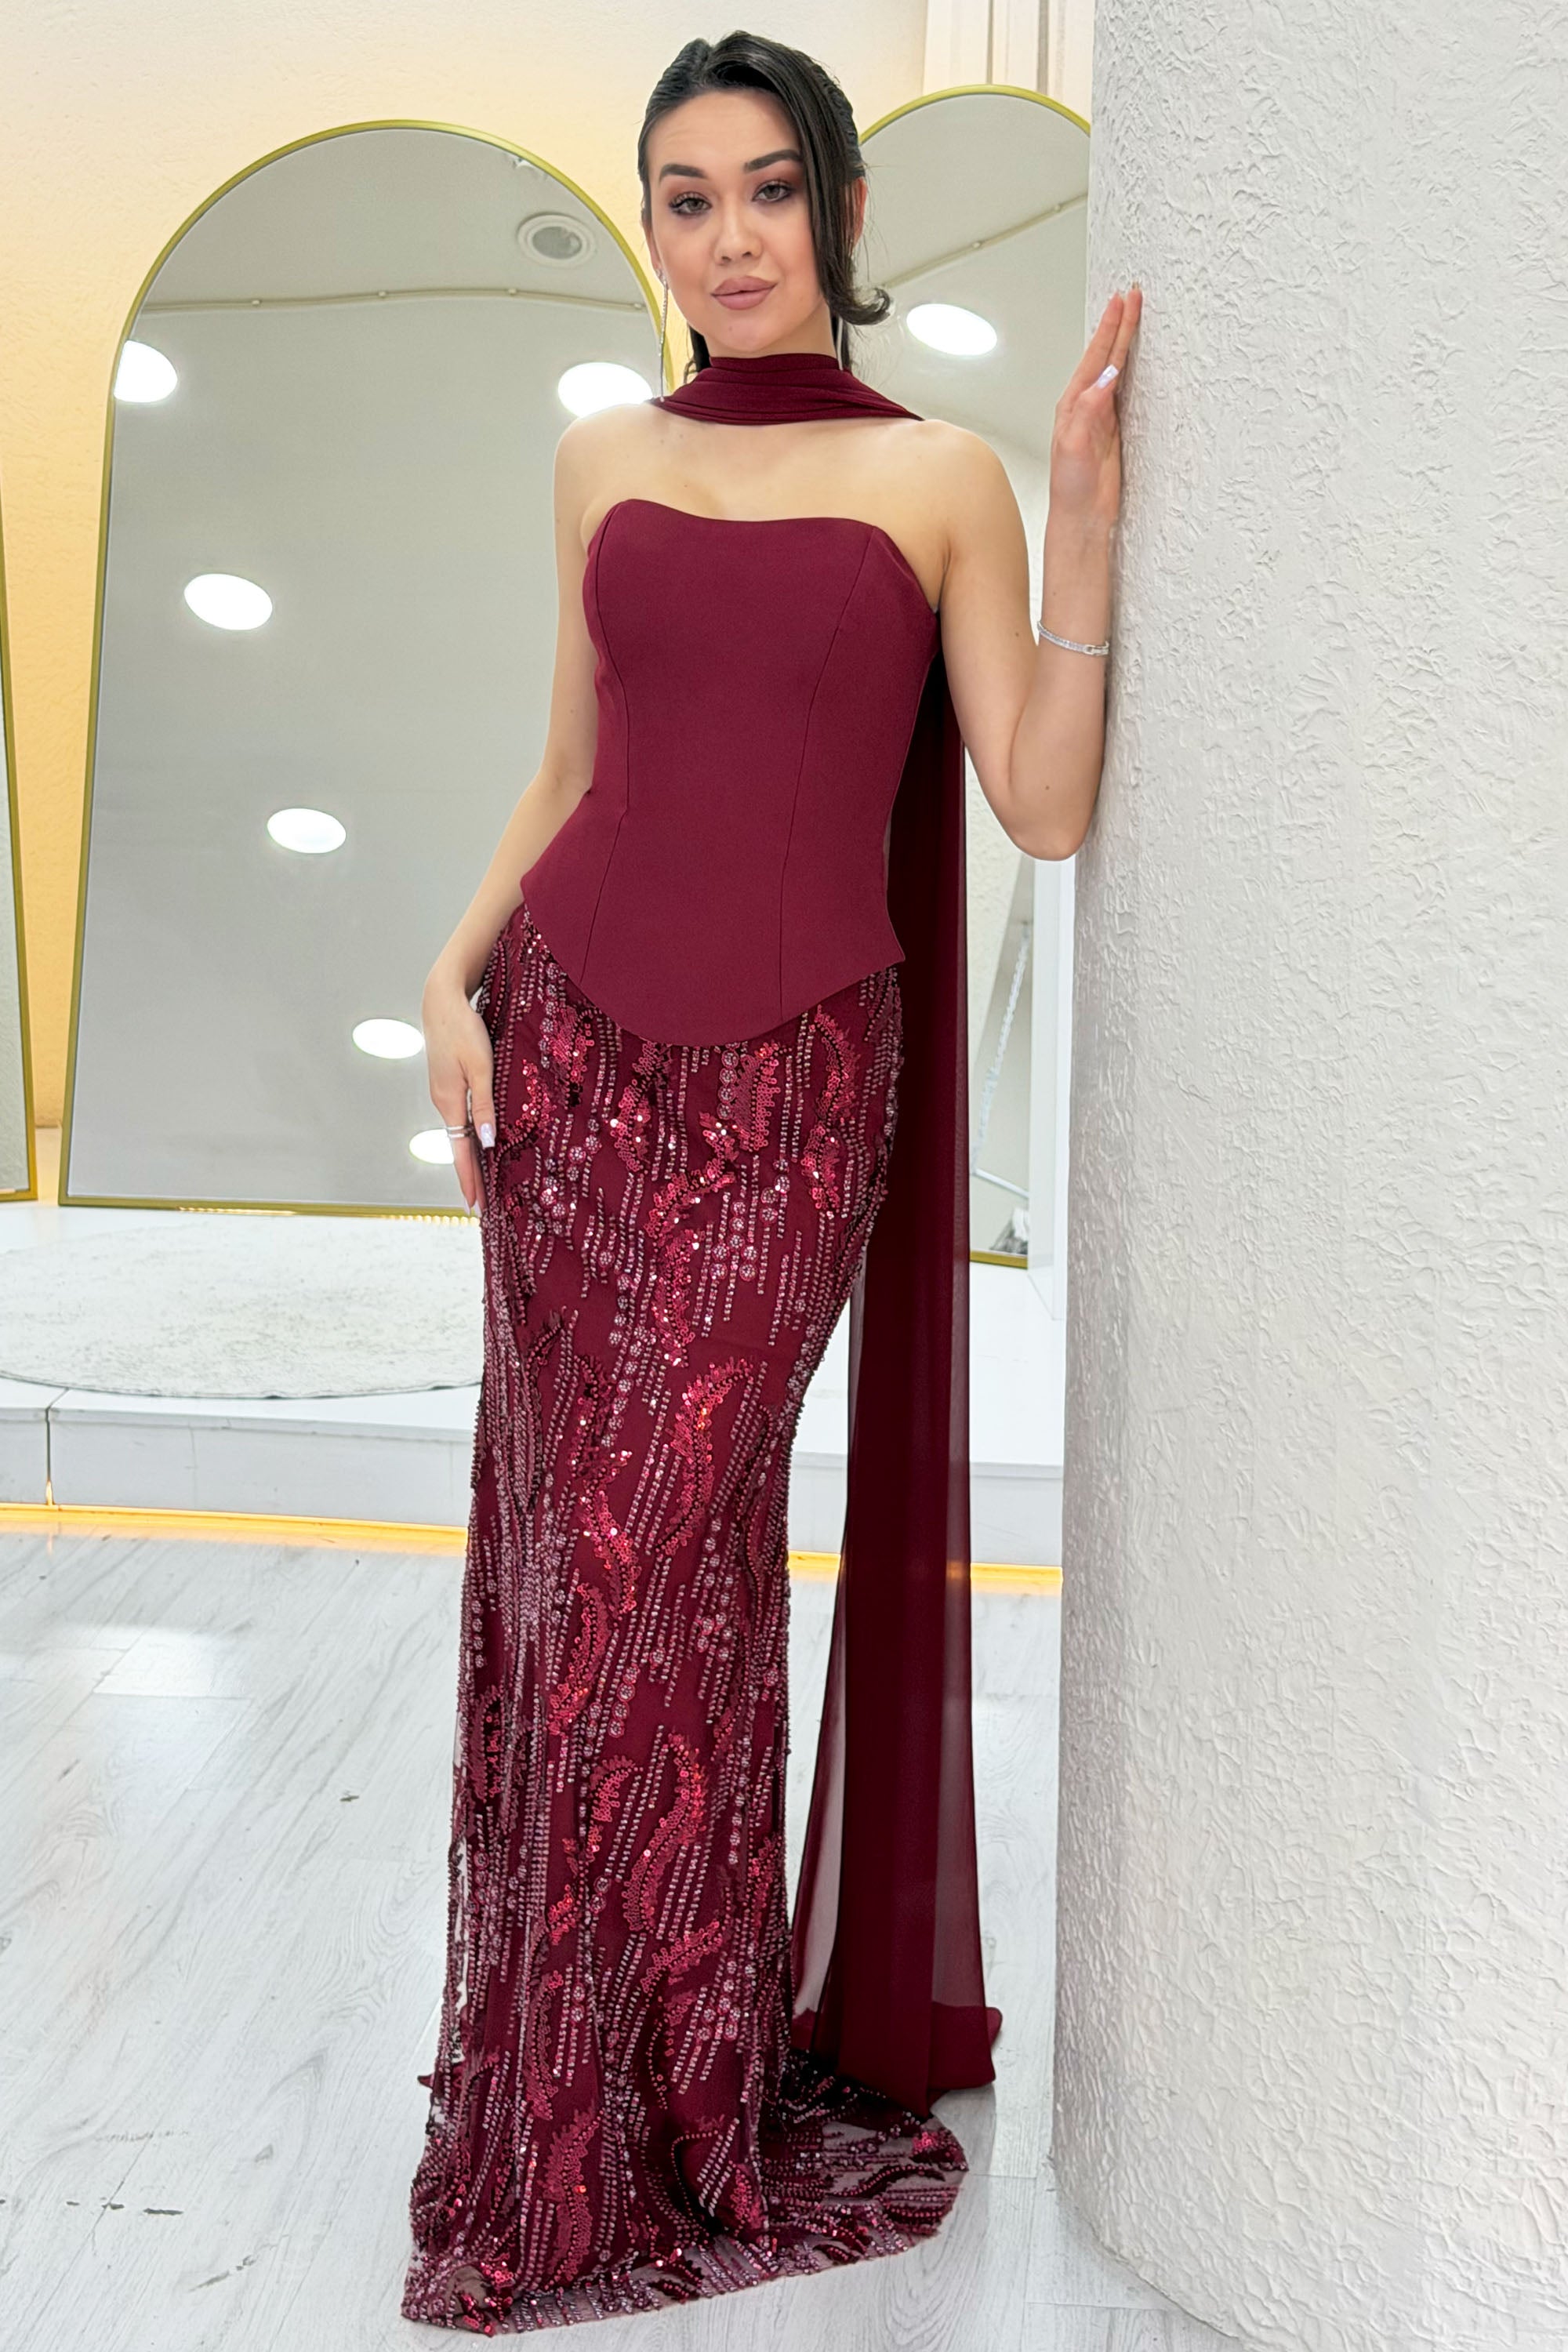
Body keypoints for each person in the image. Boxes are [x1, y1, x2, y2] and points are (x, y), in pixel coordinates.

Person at [403, 30, 1138, 2333]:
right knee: (595, 1571)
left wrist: (1085, 521)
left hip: (793, 1093)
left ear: (838, 206)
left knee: (653, 1549)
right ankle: (599, 2097)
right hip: (571, 1058)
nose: (728, 239)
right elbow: (567, 762)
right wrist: (450, 971)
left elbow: (1037, 800)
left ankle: (645, 2106)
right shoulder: (601, 455)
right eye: (685, 197)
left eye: (768, 189)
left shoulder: (939, 475)